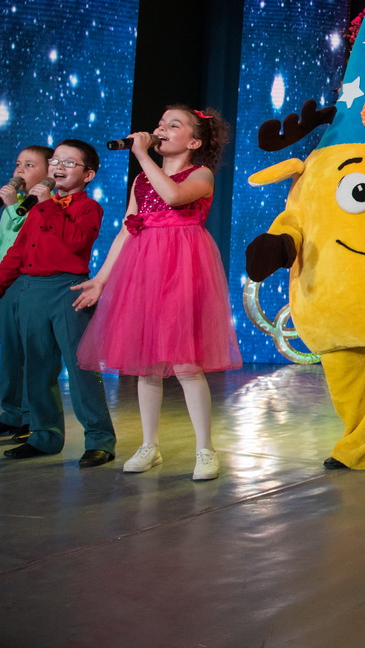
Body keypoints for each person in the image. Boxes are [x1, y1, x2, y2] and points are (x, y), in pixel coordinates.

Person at [74, 106, 242, 482]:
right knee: (146, 363)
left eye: (173, 125)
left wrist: (141, 154)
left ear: (194, 142)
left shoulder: (201, 174)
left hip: (182, 267)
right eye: (161, 123)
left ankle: (205, 449)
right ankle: (149, 444)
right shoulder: (141, 179)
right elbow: (127, 228)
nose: (161, 129)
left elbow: (174, 196)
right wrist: (102, 279)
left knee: (185, 364)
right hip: (144, 269)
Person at [0, 139, 117, 467]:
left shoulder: (88, 208)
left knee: (81, 370)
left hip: (68, 290)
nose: (59, 167)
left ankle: (99, 440)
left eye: (69, 162)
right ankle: (44, 436)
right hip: (32, 291)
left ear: (88, 175)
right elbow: (16, 254)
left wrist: (48, 204)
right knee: (37, 369)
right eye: (55, 161)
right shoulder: (37, 208)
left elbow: (75, 241)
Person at [0, 145, 53, 441]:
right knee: (11, 355)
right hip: (6, 285)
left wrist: (12, 206)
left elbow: (29, 238)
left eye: (29, 165)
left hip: (29, 283)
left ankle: (31, 417)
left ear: (49, 172)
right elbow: (2, 249)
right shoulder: (12, 203)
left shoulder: (45, 204)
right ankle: (11, 413)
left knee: (32, 355)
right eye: (18, 164)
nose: (19, 170)